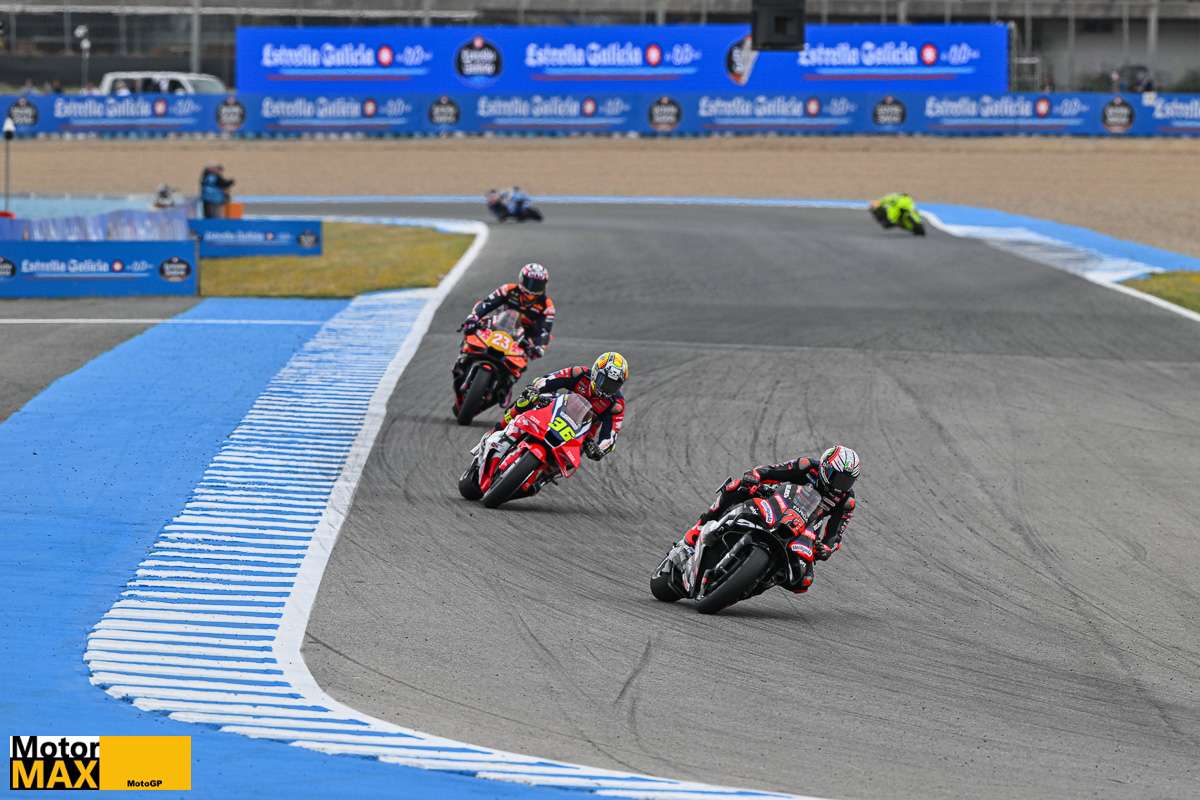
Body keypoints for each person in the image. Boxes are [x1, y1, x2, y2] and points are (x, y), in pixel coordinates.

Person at [671, 445, 860, 594]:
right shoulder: (806, 466)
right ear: (825, 468)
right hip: (778, 503)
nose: (841, 485)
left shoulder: (846, 501)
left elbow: (835, 534)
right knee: (736, 488)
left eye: (847, 481)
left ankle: (757, 580)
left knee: (803, 580)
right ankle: (694, 534)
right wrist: (754, 477)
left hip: (804, 529)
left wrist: (826, 548)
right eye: (838, 477)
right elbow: (771, 471)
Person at [499, 352, 628, 461]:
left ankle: (541, 478)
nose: (606, 387)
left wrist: (599, 449)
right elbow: (550, 379)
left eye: (612, 385)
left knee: (570, 461)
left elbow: (610, 437)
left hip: (581, 436)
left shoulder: (616, 405)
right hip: (558, 411)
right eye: (603, 380)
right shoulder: (579, 374)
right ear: (595, 372)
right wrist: (536, 389)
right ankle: (500, 429)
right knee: (526, 400)